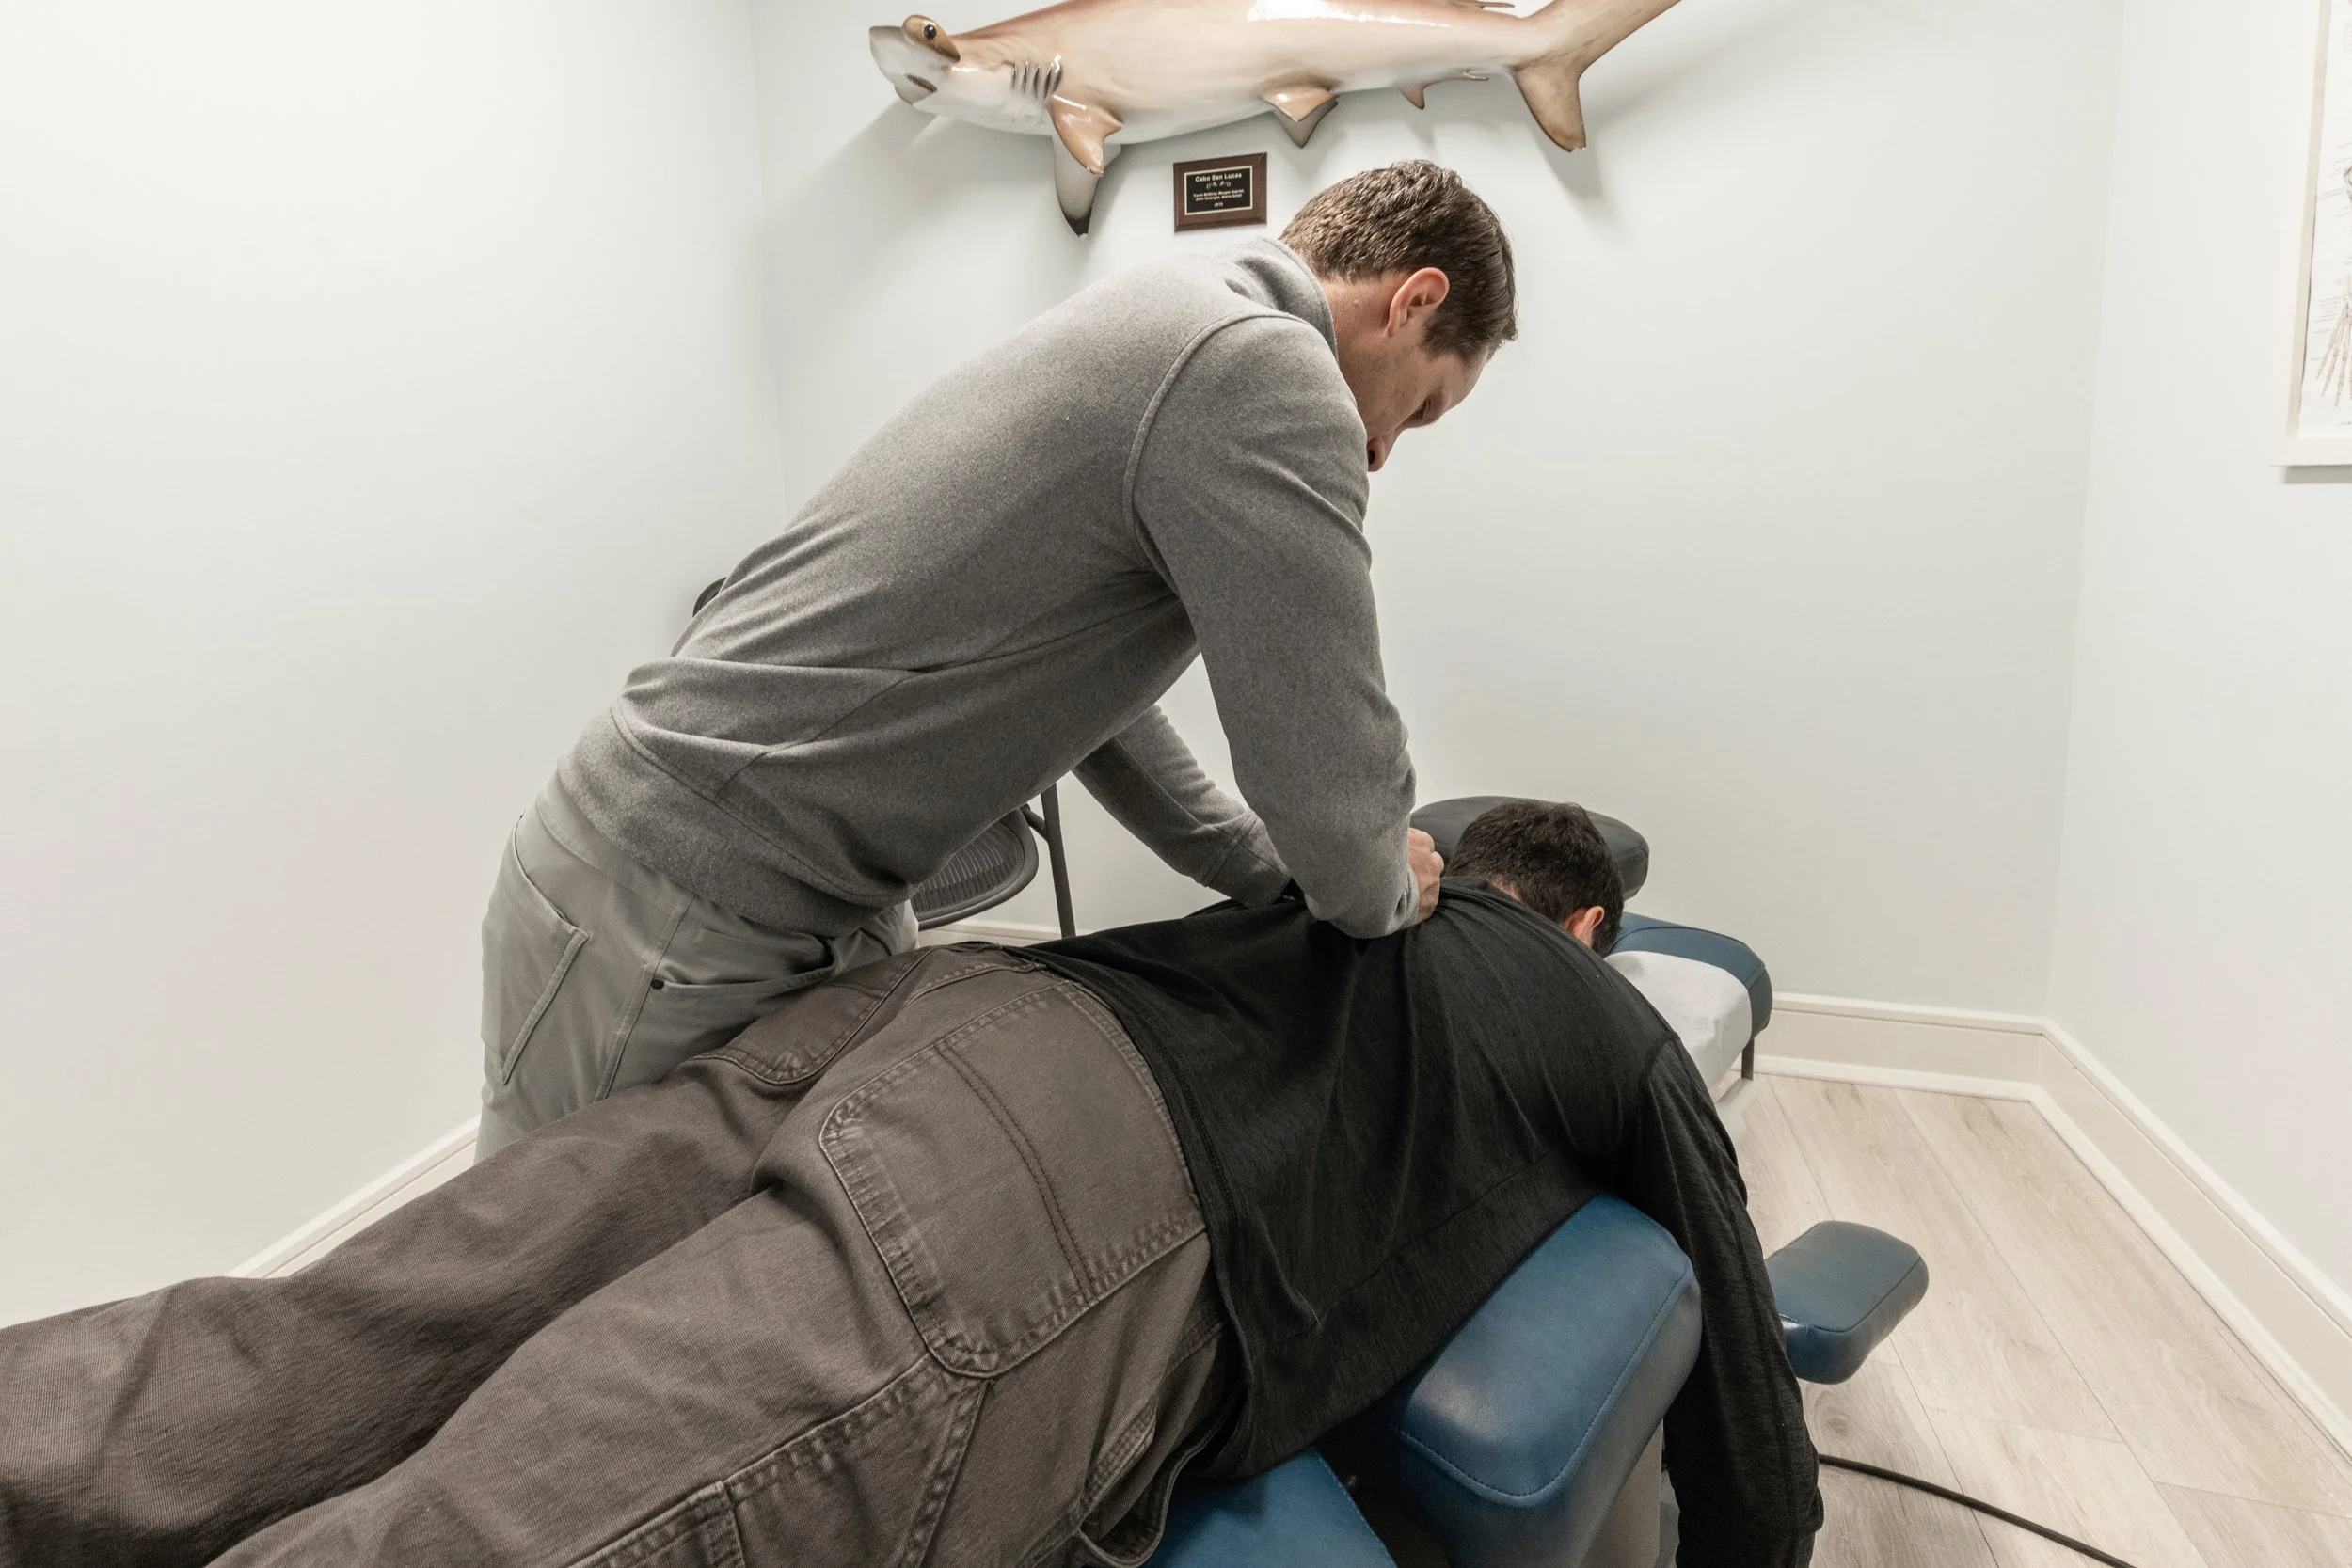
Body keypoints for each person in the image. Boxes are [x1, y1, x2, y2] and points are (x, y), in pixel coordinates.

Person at [0, 803, 1820, 1568]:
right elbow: (1731, 1318)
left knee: (351, 1328)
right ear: (1591, 918)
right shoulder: (1597, 1003)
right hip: (1080, 1168)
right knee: (523, 1526)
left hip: (941, 1004)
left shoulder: (1324, 888)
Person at [476, 160, 1516, 1154]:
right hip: (676, 895)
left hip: (792, 892)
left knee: (744, 1258)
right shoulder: (1263, 368)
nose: (1384, 449)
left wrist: (1257, 866)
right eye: (1423, 405)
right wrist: (1383, 879)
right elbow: (1328, 773)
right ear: (1413, 301)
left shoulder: (1174, 311)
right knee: (561, 1260)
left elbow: (1088, 695)